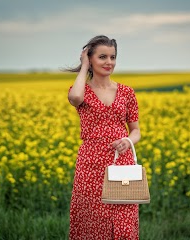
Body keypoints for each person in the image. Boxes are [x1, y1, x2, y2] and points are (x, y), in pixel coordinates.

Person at [67, 35, 141, 239]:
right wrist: (83, 67)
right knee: (92, 222)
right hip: (91, 165)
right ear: (90, 59)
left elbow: (136, 131)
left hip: (121, 162)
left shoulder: (127, 92)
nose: (109, 62)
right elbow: (75, 99)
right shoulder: (80, 91)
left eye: (113, 57)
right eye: (102, 57)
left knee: (124, 223)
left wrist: (127, 141)